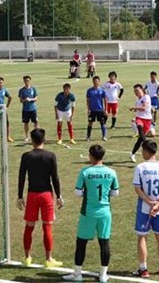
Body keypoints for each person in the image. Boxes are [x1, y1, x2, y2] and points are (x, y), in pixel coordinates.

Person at [63, 144, 119, 283]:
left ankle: (77, 274)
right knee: (104, 243)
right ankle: (103, 275)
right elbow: (115, 192)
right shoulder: (111, 172)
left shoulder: (85, 172)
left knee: (81, 242)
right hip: (105, 212)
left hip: (88, 212)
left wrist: (88, 194)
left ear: (91, 156)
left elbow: (77, 192)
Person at [17, 128, 64, 269]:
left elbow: (21, 177)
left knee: (29, 226)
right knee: (47, 226)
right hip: (46, 195)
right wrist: (59, 196)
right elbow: (54, 177)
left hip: (32, 195)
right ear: (44, 139)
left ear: (32, 140)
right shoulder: (50, 156)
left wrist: (20, 196)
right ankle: (48, 259)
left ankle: (27, 258)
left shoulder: (26, 156)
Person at [132, 140, 159, 278]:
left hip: (144, 207)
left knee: (142, 237)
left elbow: (137, 188)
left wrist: (149, 202)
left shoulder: (140, 167)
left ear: (147, 151)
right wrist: (157, 204)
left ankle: (143, 269)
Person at [129, 84, 153, 163]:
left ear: (142, 90)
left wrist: (135, 108)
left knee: (139, 140)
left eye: (137, 90)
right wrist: (134, 109)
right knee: (139, 127)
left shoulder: (146, 97)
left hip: (147, 120)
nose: (136, 92)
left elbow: (144, 108)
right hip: (139, 118)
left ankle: (132, 153)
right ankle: (146, 145)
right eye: (134, 91)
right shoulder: (137, 100)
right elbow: (137, 110)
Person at [86, 76, 108, 142]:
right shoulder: (89, 90)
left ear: (99, 82)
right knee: (90, 123)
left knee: (102, 123)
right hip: (92, 110)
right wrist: (88, 109)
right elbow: (88, 100)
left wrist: (105, 109)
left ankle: (104, 136)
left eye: (97, 81)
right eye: (95, 81)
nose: (96, 82)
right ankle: (88, 136)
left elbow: (105, 100)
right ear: (93, 82)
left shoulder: (102, 90)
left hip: (100, 110)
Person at [19, 75, 39, 142]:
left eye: (28, 81)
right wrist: (25, 100)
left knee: (36, 122)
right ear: (24, 81)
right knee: (26, 123)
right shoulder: (21, 90)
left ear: (30, 81)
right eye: (25, 81)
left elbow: (36, 98)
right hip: (25, 109)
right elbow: (21, 100)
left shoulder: (33, 89)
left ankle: (37, 136)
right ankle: (27, 136)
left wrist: (30, 99)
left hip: (33, 109)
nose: (27, 82)